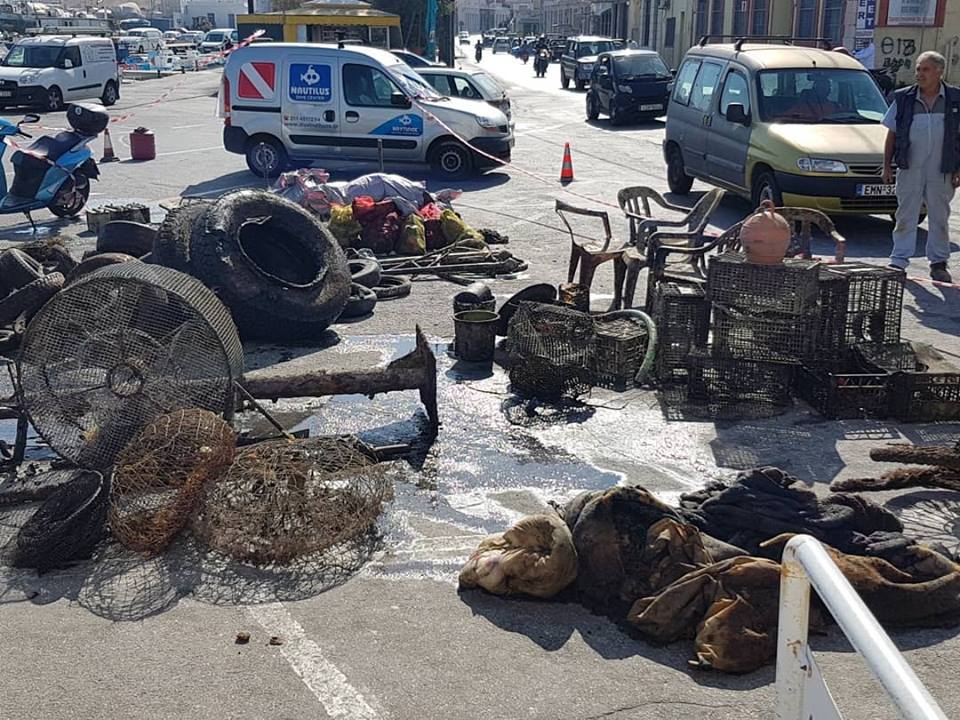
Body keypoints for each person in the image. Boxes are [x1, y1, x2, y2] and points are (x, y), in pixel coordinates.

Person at [882, 50, 960, 283]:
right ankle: (898, 261)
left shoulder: (955, 98)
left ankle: (938, 263)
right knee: (905, 214)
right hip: (910, 167)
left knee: (939, 216)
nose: (920, 74)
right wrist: (886, 165)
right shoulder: (904, 99)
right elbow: (891, 134)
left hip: (942, 169)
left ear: (939, 72)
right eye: (918, 69)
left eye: (925, 69)